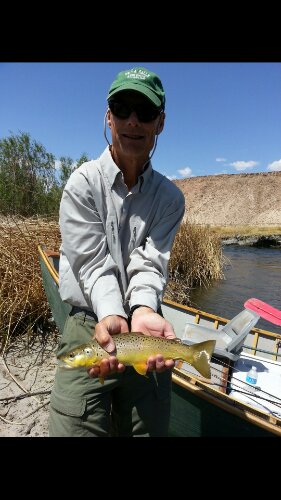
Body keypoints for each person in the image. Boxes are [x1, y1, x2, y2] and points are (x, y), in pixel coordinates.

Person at [49, 66, 185, 437]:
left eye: (145, 112)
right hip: (89, 322)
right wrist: (111, 314)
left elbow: (150, 265)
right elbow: (92, 263)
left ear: (160, 122)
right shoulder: (81, 184)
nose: (133, 121)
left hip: (144, 328)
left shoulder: (171, 199)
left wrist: (142, 309)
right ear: (108, 116)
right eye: (123, 109)